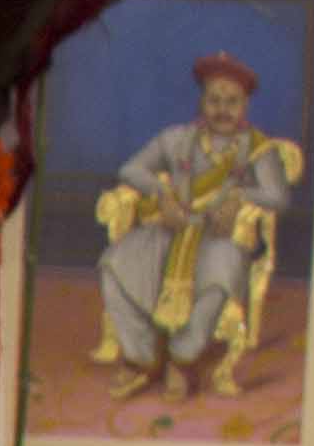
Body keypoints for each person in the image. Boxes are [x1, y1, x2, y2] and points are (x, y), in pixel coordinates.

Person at [92, 52, 303, 396]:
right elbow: (130, 169)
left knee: (220, 277)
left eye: (232, 102)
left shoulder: (257, 149)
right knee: (114, 265)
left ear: (245, 105)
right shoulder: (177, 138)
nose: (223, 110)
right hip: (173, 227)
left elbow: (278, 196)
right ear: (202, 102)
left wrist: (240, 196)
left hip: (219, 235)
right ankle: (142, 356)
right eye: (214, 100)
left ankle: (182, 358)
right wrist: (162, 194)